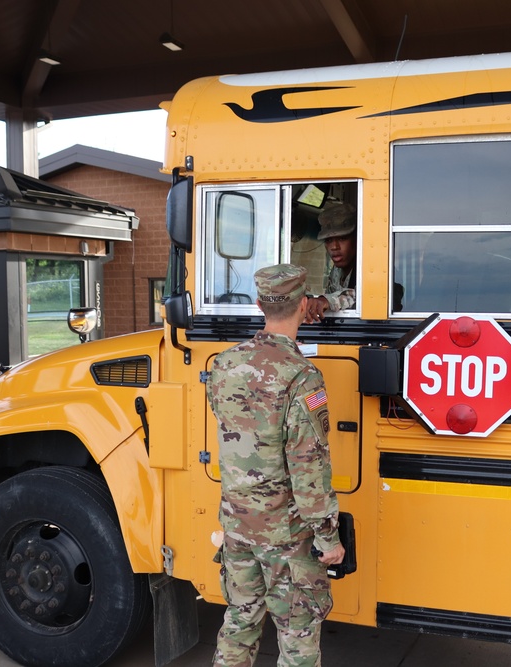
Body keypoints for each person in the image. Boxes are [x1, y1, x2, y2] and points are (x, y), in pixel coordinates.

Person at [207, 263, 345, 667]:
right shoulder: (303, 377)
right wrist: (327, 537)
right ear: (304, 306)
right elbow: (309, 465)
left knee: (239, 620)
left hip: (236, 524)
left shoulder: (224, 363)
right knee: (297, 635)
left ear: (259, 305)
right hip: (286, 535)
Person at [306, 202, 357, 323]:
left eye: (342, 238)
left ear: (356, 239)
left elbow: (360, 296)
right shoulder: (337, 270)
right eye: (328, 240)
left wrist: (327, 300)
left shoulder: (370, 268)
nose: (334, 247)